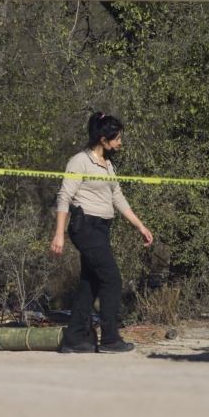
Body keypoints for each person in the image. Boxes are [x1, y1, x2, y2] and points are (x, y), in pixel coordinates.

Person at [51, 112, 153, 354]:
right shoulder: (79, 162)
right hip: (85, 228)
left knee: (90, 283)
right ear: (103, 139)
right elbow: (64, 197)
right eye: (117, 139)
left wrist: (140, 226)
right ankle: (109, 338)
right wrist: (59, 234)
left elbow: (117, 197)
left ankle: (74, 339)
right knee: (112, 279)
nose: (121, 143)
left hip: (102, 229)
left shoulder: (108, 165)